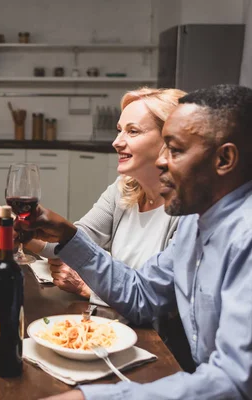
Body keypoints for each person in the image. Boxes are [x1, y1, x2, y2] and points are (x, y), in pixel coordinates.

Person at [15, 84, 252, 399]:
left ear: (225, 159)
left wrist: (91, 397)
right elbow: (142, 294)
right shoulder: (198, 225)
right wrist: (69, 238)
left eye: (175, 149)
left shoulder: (245, 237)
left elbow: (234, 382)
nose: (161, 162)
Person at [26, 88, 184, 307]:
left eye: (133, 131)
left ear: (169, 140)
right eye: (119, 130)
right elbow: (73, 245)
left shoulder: (188, 210)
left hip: (152, 334)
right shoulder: (123, 190)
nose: (116, 142)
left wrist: (89, 289)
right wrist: (17, 230)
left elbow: (164, 301)